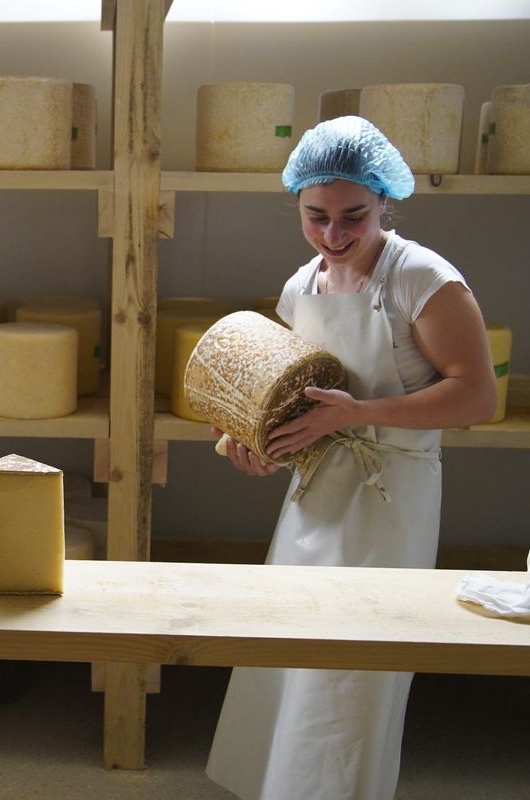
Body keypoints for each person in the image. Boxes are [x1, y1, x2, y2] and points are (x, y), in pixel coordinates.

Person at [205, 116, 497, 800]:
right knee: (290, 650)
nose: (333, 235)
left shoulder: (422, 279)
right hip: (314, 495)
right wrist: (256, 443)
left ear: (382, 200)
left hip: (391, 497)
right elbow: (291, 402)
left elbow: (477, 397)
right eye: (316, 217)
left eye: (353, 217)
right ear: (297, 204)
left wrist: (357, 413)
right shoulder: (301, 287)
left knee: (352, 673)